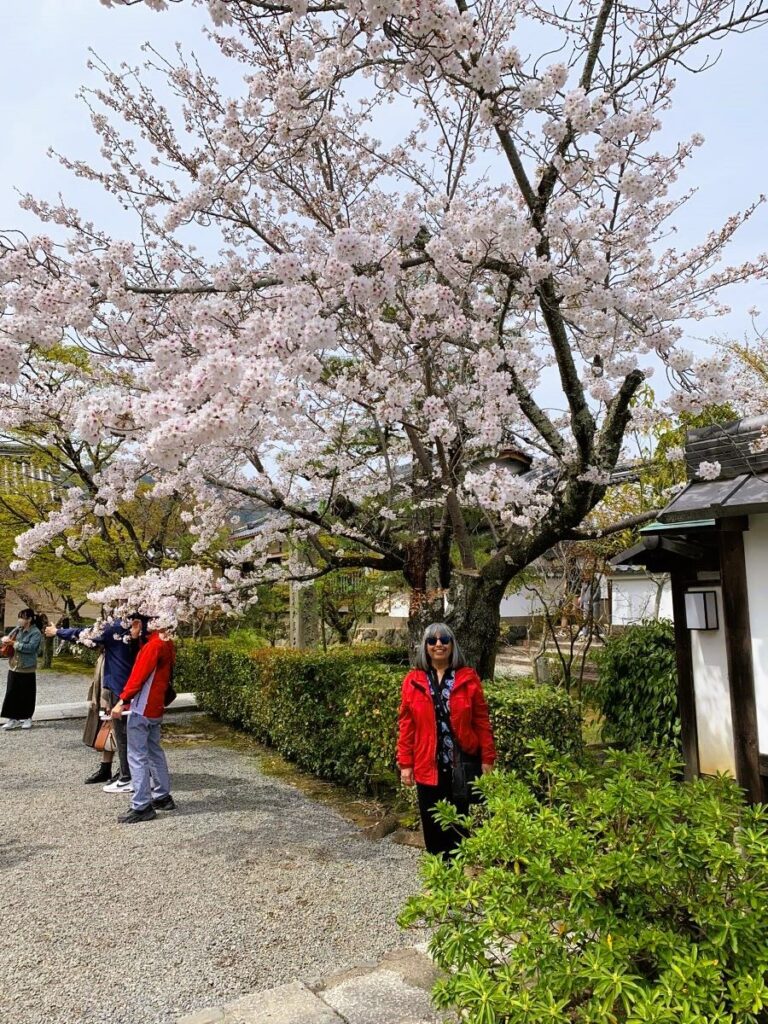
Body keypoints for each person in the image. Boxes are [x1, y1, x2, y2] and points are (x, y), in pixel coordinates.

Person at [397, 622, 496, 858]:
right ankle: (439, 879)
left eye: (444, 640)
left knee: (459, 826)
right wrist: (405, 764)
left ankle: (458, 880)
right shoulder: (413, 680)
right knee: (432, 826)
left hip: (459, 765)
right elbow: (406, 725)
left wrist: (488, 758)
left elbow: (481, 721)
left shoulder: (468, 679)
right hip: (426, 765)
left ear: (452, 645)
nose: (438, 644)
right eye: (432, 640)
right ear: (425, 646)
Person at [47, 614, 148, 789]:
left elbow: (85, 635)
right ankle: (121, 771)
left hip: (119, 685)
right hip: (134, 685)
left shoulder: (117, 626)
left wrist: (57, 631)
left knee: (122, 733)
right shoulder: (143, 624)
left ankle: (127, 776)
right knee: (127, 731)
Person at [111, 621, 176, 824]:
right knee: (154, 750)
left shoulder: (152, 646)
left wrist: (122, 701)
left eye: (135, 624)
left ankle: (141, 804)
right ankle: (162, 795)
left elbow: (138, 677)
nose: (131, 628)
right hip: (156, 706)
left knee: (137, 755)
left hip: (142, 707)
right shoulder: (167, 643)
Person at [1, 609, 45, 731]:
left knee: (27, 694)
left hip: (27, 668)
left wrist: (13, 643)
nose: (20, 620)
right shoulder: (17, 629)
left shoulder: (35, 632)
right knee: (11, 693)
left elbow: (31, 648)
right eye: (19, 617)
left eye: (22, 617)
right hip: (14, 666)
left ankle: (27, 718)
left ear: (29, 619)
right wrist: (5, 640)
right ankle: (12, 718)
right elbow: (8, 639)